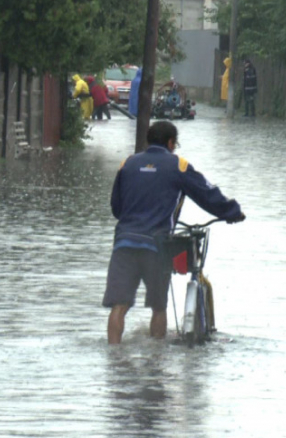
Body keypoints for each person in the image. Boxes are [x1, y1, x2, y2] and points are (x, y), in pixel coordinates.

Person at [103, 121, 246, 344]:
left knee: (119, 306)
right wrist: (232, 212)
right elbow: (206, 193)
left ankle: (113, 358)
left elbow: (116, 208)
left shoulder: (127, 164)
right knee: (159, 307)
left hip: (124, 244)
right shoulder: (177, 165)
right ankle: (156, 361)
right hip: (156, 246)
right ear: (170, 143)